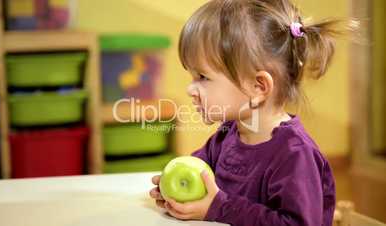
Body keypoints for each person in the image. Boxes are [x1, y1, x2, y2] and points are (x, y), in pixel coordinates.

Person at [149, 0, 349, 225]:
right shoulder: (228, 133)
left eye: (202, 77)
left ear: (258, 87)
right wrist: (172, 188)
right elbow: (200, 168)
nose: (190, 89)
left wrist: (220, 208)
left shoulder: (295, 155)